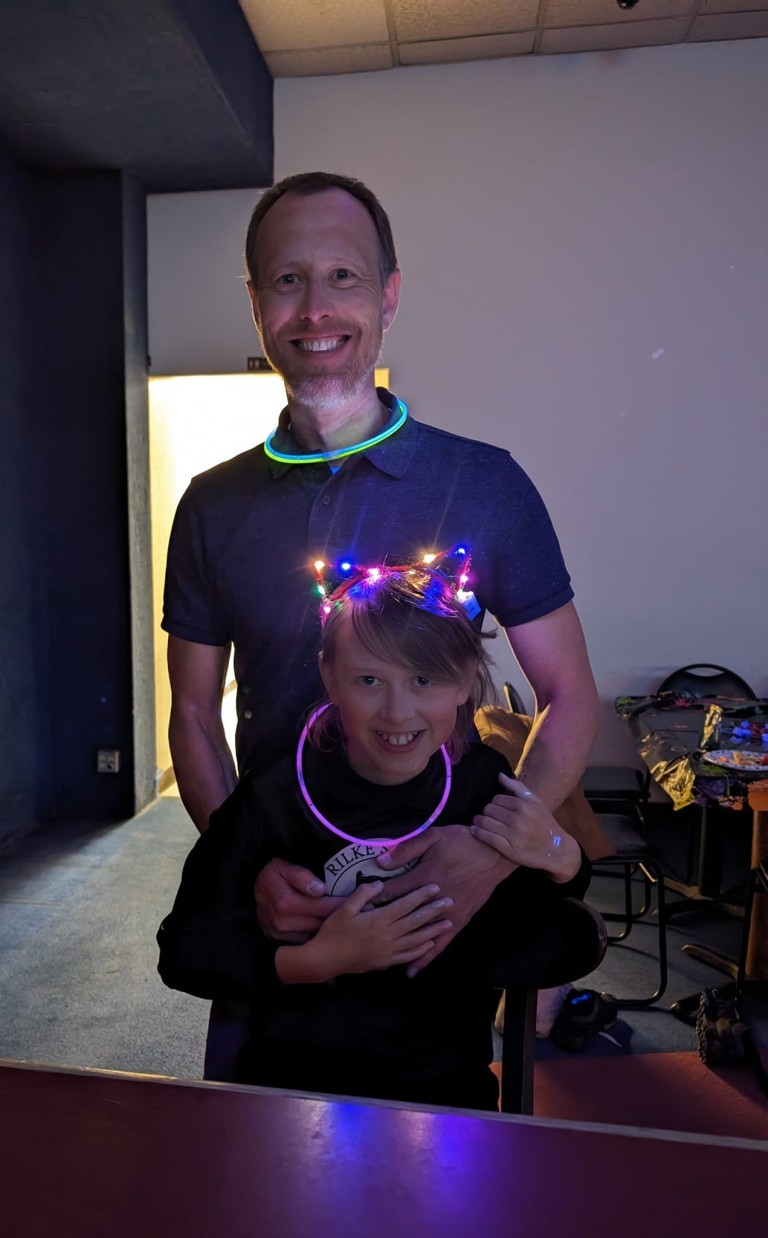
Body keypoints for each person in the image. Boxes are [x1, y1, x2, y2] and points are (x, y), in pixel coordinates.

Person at [162, 171, 599, 993]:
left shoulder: (486, 483)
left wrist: (489, 853)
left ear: (389, 296)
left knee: (435, 1117)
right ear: (257, 302)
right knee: (260, 1117)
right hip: (279, 912)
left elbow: (569, 694)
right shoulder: (212, 505)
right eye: (288, 279)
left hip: (437, 892)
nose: (316, 308)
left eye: (344, 277)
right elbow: (191, 711)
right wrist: (240, 864)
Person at [158, 561, 590, 1110]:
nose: (397, 711)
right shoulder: (273, 795)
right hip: (285, 1093)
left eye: (424, 680)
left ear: (462, 682)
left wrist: (560, 854)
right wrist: (317, 961)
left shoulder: (485, 787)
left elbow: (561, 928)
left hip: (443, 1095)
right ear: (329, 676)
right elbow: (183, 951)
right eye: (369, 680)